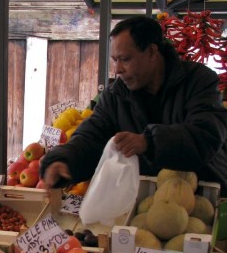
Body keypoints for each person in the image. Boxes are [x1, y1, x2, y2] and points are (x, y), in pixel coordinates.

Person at [40, 15, 227, 197]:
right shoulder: (115, 94)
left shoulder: (198, 80)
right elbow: (92, 136)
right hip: (143, 201)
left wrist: (149, 141)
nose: (118, 69)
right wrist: (65, 160)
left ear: (152, 52)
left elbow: (206, 134)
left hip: (203, 196)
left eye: (125, 59)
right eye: (115, 60)